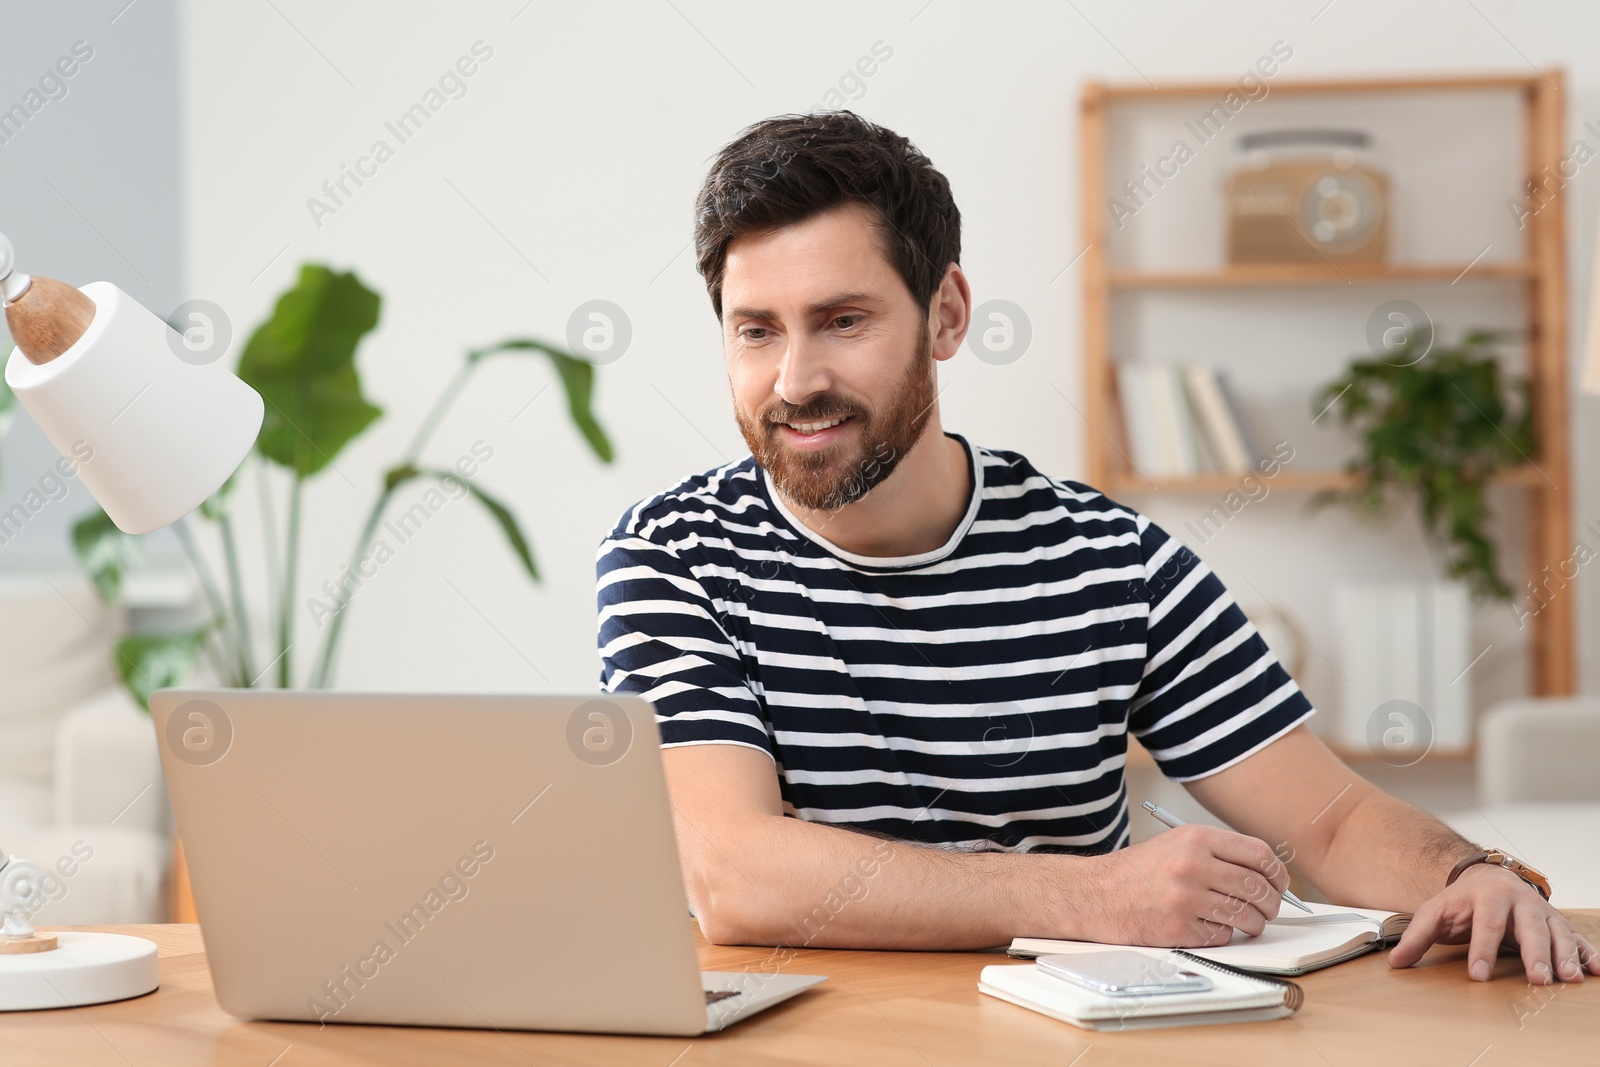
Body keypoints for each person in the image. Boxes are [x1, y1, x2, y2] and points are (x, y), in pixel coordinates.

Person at [595, 110, 1595, 986]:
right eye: (755, 330)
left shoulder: (1113, 561)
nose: (794, 377)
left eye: (842, 320)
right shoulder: (674, 556)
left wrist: (1476, 875)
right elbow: (733, 874)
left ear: (946, 314)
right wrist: (1094, 894)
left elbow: (1329, 821)